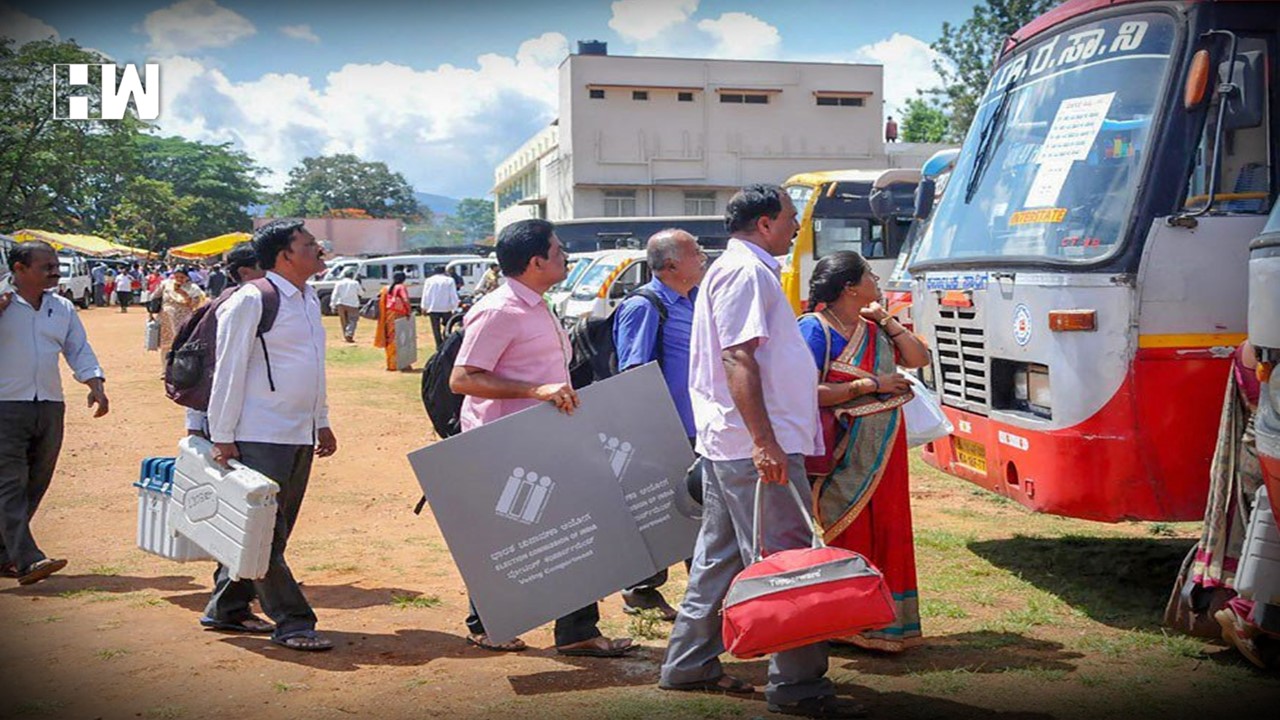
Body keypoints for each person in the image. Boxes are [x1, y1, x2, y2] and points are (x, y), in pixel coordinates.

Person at [660, 185, 867, 718]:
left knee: (719, 558)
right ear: (767, 222)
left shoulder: (743, 270)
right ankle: (798, 686)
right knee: (786, 562)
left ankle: (689, 663)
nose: (798, 228)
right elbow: (738, 359)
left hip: (737, 445)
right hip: (752, 447)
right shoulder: (746, 272)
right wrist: (764, 442)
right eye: (792, 218)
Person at [449, 218, 635, 658]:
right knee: (509, 535)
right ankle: (487, 623)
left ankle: (577, 632)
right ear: (536, 262)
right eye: (558, 250)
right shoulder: (499, 310)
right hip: (505, 443)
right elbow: (463, 378)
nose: (565, 256)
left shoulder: (537, 303)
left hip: (549, 436)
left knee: (577, 529)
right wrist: (535, 391)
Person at [203, 219, 337, 652]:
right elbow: (228, 370)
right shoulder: (252, 299)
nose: (319, 249)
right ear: (285, 255)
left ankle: (226, 607)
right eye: (309, 243)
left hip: (297, 433)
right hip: (259, 433)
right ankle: (293, 621)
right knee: (265, 533)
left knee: (269, 530)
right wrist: (221, 434)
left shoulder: (309, 298)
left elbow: (313, 366)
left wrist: (321, 419)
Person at [797, 251, 930, 653]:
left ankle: (887, 623)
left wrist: (887, 320)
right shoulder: (814, 328)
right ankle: (847, 621)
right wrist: (870, 385)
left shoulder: (876, 326)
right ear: (850, 287)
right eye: (869, 274)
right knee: (849, 529)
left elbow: (918, 359)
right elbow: (803, 391)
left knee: (890, 527)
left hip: (885, 447)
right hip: (842, 450)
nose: (876, 277)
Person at [0, 242, 109, 585]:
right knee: (10, 483)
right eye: (45, 266)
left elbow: (77, 347)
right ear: (18, 269)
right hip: (5, 405)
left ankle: (6, 555)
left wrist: (95, 383)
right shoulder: (2, 302)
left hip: (49, 404)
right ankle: (28, 559)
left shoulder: (61, 307)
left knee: (37, 480)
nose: (54, 271)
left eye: (55, 265)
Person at [612, 229, 707, 620]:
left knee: (698, 510)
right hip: (665, 430)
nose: (702, 256)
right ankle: (641, 590)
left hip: (700, 426)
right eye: (694, 251)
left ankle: (702, 590)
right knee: (661, 511)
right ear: (670, 266)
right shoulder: (645, 306)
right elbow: (632, 373)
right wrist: (651, 434)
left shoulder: (696, 299)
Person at [1166, 341, 1278, 666]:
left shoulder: (1250, 347)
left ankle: (1245, 617)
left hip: (1252, 452)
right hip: (1272, 452)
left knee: (1255, 539)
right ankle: (1247, 616)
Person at [157, 268, 206, 359]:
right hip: (167, 319)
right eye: (176, 277)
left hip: (183, 319)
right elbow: (156, 296)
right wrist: (151, 312)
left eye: (182, 277)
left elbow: (194, 304)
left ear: (187, 277)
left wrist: (183, 293)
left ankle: (178, 367)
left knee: (181, 342)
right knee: (166, 344)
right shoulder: (166, 284)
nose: (179, 279)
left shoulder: (193, 288)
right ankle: (165, 369)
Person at [374, 271, 416, 371]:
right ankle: (399, 364)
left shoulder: (386, 288)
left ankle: (391, 364)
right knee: (399, 338)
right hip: (398, 315)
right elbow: (405, 300)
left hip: (388, 314)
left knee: (390, 337)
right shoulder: (401, 287)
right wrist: (409, 312)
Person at [420, 265, 460, 347]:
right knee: (448, 326)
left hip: (433, 307)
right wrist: (455, 307)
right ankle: (446, 342)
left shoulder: (429, 280)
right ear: (445, 271)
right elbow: (453, 294)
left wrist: (424, 306)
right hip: (446, 308)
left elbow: (426, 294)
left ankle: (438, 345)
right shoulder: (449, 280)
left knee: (435, 328)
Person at [331, 268, 362, 343]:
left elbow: (335, 294)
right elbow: (361, 293)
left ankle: (346, 335)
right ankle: (349, 334)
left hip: (341, 304)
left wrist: (332, 304)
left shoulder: (339, 283)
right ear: (351, 276)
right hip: (352, 304)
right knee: (353, 320)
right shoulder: (355, 283)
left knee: (344, 320)